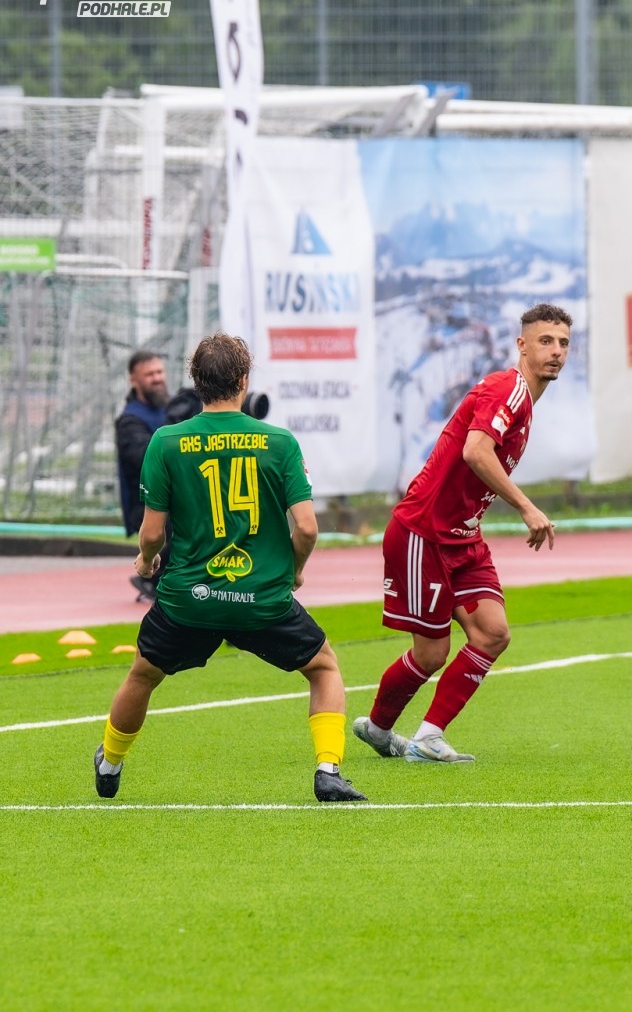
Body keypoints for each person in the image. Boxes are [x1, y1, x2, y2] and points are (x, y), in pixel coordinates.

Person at [93, 333, 366, 803]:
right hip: (262, 599)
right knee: (323, 667)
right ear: (243, 379)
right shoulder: (279, 442)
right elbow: (306, 528)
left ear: (196, 381)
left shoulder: (166, 441)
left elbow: (152, 533)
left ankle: (111, 763)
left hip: (189, 601)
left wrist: (145, 561)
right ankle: (328, 770)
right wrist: (295, 570)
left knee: (143, 675)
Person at [353, 304, 565, 764]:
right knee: (432, 653)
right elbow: (476, 451)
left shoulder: (525, 403)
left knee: (493, 633)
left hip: (462, 537)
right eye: (546, 341)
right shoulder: (508, 389)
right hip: (424, 532)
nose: (556, 351)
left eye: (563, 343)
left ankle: (428, 738)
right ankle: (379, 727)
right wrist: (527, 507)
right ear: (522, 345)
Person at [115, 350, 171, 601]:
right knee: (187, 526)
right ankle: (151, 579)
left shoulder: (173, 409)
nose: (157, 378)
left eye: (159, 372)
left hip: (176, 497)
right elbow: (145, 458)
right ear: (134, 379)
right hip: (147, 502)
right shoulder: (130, 421)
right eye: (149, 374)